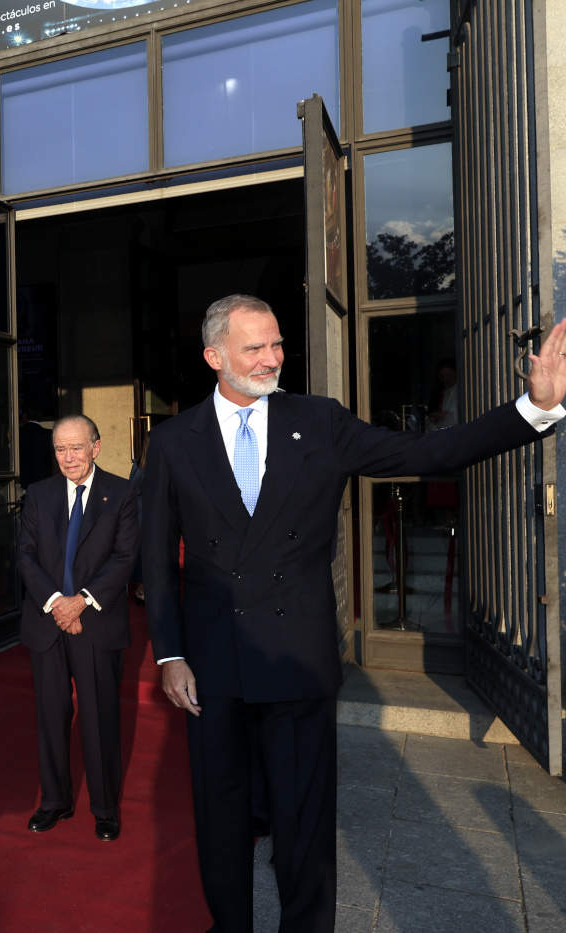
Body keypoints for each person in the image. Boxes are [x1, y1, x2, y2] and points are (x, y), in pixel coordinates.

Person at [142, 294, 566, 933]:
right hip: (213, 661)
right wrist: (170, 653)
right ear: (214, 356)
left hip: (297, 660)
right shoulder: (174, 441)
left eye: (277, 343)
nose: (272, 358)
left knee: (303, 820)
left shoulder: (319, 421)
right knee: (221, 814)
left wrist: (533, 407)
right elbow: (154, 560)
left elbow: (429, 455)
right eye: (254, 347)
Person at [17, 414, 138, 841]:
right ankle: (54, 801)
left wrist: (80, 602)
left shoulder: (121, 494)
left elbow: (125, 558)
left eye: (76, 447)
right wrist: (56, 604)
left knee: (100, 717)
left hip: (96, 622)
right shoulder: (38, 494)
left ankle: (105, 808)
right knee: (51, 717)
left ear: (96, 447)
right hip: (47, 623)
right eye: (60, 449)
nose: (68, 457)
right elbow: (25, 556)